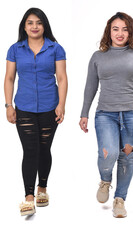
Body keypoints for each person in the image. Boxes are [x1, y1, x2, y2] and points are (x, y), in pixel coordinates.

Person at [79, 12, 133, 218]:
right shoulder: (98, 57)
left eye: (125, 29)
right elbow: (90, 86)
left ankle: (120, 200)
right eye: (116, 29)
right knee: (109, 154)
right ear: (109, 31)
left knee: (127, 157)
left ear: (130, 31)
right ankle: (105, 179)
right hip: (105, 114)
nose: (120, 33)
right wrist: (84, 113)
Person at [4, 8, 68, 216]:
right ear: (24, 26)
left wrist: (61, 104)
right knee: (30, 150)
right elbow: (9, 78)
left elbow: (62, 78)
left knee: (44, 148)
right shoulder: (15, 49)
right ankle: (29, 197)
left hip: (50, 107)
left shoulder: (56, 48)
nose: (34, 26)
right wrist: (8, 105)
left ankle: (43, 188)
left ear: (44, 25)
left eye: (38, 23)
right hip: (24, 107)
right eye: (30, 23)